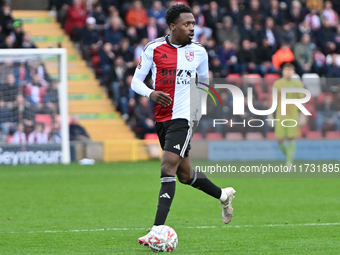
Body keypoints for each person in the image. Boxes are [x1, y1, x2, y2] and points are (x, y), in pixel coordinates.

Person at [131, 4, 236, 250]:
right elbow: (136, 81)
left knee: (167, 166)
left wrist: (195, 113)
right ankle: (223, 195)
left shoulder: (199, 52)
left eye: (193, 23)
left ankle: (156, 230)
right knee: (185, 174)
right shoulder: (153, 48)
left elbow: (204, 83)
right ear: (172, 26)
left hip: (184, 117)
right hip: (161, 118)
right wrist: (151, 93)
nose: (192, 28)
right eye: (187, 24)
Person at [273, 63, 305, 169]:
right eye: (286, 70)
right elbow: (273, 100)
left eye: (290, 70)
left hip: (292, 114)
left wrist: (303, 114)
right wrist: (270, 115)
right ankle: (289, 157)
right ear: (283, 71)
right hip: (280, 114)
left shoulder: (298, 84)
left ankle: (289, 163)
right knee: (280, 140)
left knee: (291, 138)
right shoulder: (277, 83)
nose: (288, 72)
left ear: (293, 71)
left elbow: (302, 99)